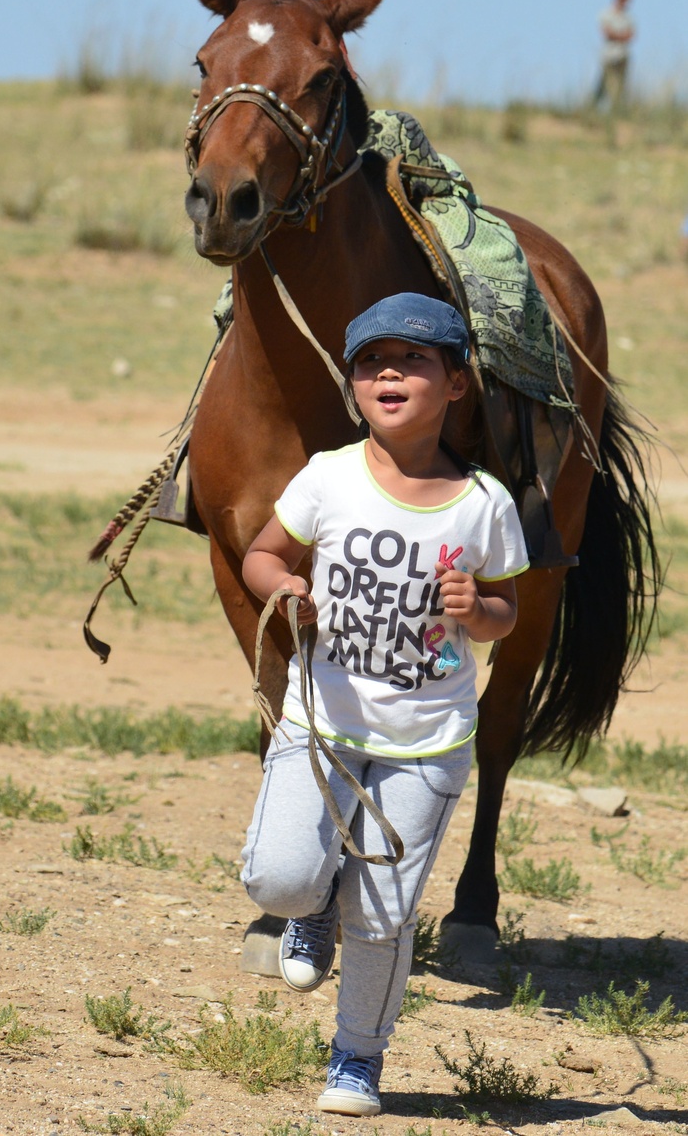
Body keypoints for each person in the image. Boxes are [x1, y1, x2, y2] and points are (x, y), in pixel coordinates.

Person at [240, 293, 529, 1118]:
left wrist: (481, 611)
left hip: (427, 741)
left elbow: (507, 611)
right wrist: (286, 586)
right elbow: (264, 553)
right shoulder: (327, 476)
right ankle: (309, 909)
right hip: (321, 725)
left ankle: (357, 1059)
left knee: (385, 913)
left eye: (412, 360)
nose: (388, 373)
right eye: (370, 362)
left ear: (457, 385)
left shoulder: (485, 503)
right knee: (282, 877)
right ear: (353, 384)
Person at [594, 0, 635, 123]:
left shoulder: (628, 17)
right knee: (604, 84)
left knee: (622, 86)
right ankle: (593, 110)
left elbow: (631, 35)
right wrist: (620, 36)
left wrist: (617, 35)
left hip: (623, 55)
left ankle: (617, 113)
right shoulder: (606, 13)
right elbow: (607, 33)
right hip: (609, 55)